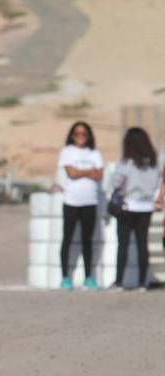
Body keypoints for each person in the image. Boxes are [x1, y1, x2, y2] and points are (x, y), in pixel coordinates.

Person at [55, 121, 104, 290]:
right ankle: (64, 277)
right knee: (67, 238)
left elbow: (99, 175)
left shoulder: (95, 153)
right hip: (72, 201)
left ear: (89, 135)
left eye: (84, 134)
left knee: (87, 240)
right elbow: (71, 173)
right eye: (77, 134)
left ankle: (89, 276)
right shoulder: (67, 151)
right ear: (72, 135)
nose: (81, 137)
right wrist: (88, 172)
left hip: (90, 201)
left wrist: (82, 172)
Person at [110, 127, 161, 291]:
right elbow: (155, 184)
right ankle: (142, 282)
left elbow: (116, 182)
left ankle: (119, 282)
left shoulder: (127, 162)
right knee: (142, 245)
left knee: (123, 245)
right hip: (146, 207)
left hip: (128, 206)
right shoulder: (153, 162)